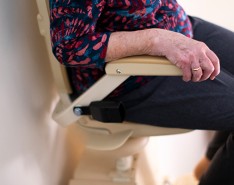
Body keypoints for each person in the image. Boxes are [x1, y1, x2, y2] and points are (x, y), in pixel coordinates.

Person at [49, 1, 234, 184]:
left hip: (178, 29)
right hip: (132, 78)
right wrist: (155, 40)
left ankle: (209, 166)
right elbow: (69, 48)